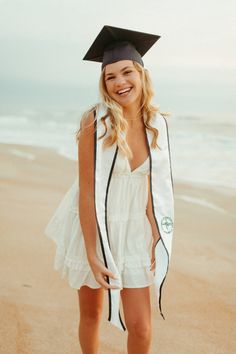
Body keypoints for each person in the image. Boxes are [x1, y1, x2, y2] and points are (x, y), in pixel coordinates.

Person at [45, 25, 174, 354]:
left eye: (127, 72)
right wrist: (91, 251)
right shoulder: (95, 122)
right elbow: (87, 191)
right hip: (93, 224)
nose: (120, 83)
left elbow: (152, 183)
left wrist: (157, 234)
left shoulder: (158, 125)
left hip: (132, 228)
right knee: (92, 313)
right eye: (110, 77)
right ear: (104, 83)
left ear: (141, 74)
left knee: (141, 327)